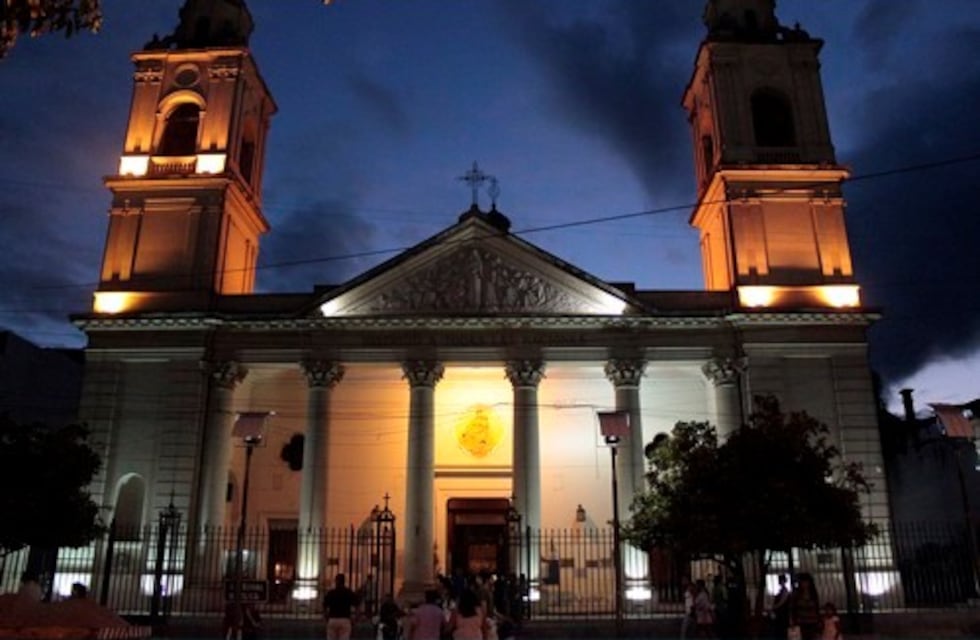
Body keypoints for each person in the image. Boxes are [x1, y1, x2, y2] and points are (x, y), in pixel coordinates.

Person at [323, 573, 359, 640]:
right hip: (345, 619)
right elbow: (357, 605)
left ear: (335, 581)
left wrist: (326, 617)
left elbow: (325, 606)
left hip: (333, 618)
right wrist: (356, 618)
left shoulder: (331, 593)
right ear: (344, 581)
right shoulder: (348, 592)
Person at [790, 574, 821, 640]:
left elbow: (816, 607)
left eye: (806, 582)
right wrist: (792, 620)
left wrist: (818, 619)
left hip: (812, 621)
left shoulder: (813, 593)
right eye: (803, 582)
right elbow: (793, 608)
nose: (805, 584)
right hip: (801, 621)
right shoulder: (797, 594)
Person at [771, 574, 791, 640]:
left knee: (782, 632)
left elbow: (781, 602)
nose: (779, 582)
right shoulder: (782, 590)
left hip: (783, 614)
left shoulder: (785, 591)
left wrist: (774, 607)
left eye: (780, 580)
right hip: (781, 614)